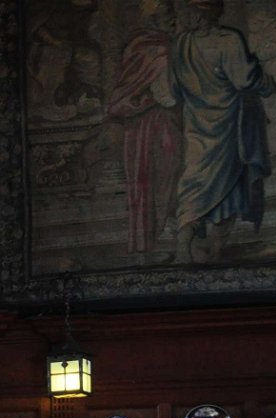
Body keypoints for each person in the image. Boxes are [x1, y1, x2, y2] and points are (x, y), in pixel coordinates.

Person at [168, 0, 276, 263]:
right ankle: (211, 247)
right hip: (230, 124)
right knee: (231, 182)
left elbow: (175, 88)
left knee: (195, 179)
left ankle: (188, 243)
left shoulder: (180, 44)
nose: (186, 16)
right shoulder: (228, 40)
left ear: (199, 13)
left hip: (197, 123)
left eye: (189, 11)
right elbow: (246, 80)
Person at [104, 0, 181, 258]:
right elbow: (165, 95)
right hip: (153, 125)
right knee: (159, 176)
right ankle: (156, 239)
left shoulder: (151, 45)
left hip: (149, 125)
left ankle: (160, 237)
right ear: (156, 17)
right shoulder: (156, 48)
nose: (173, 18)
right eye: (168, 14)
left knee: (157, 178)